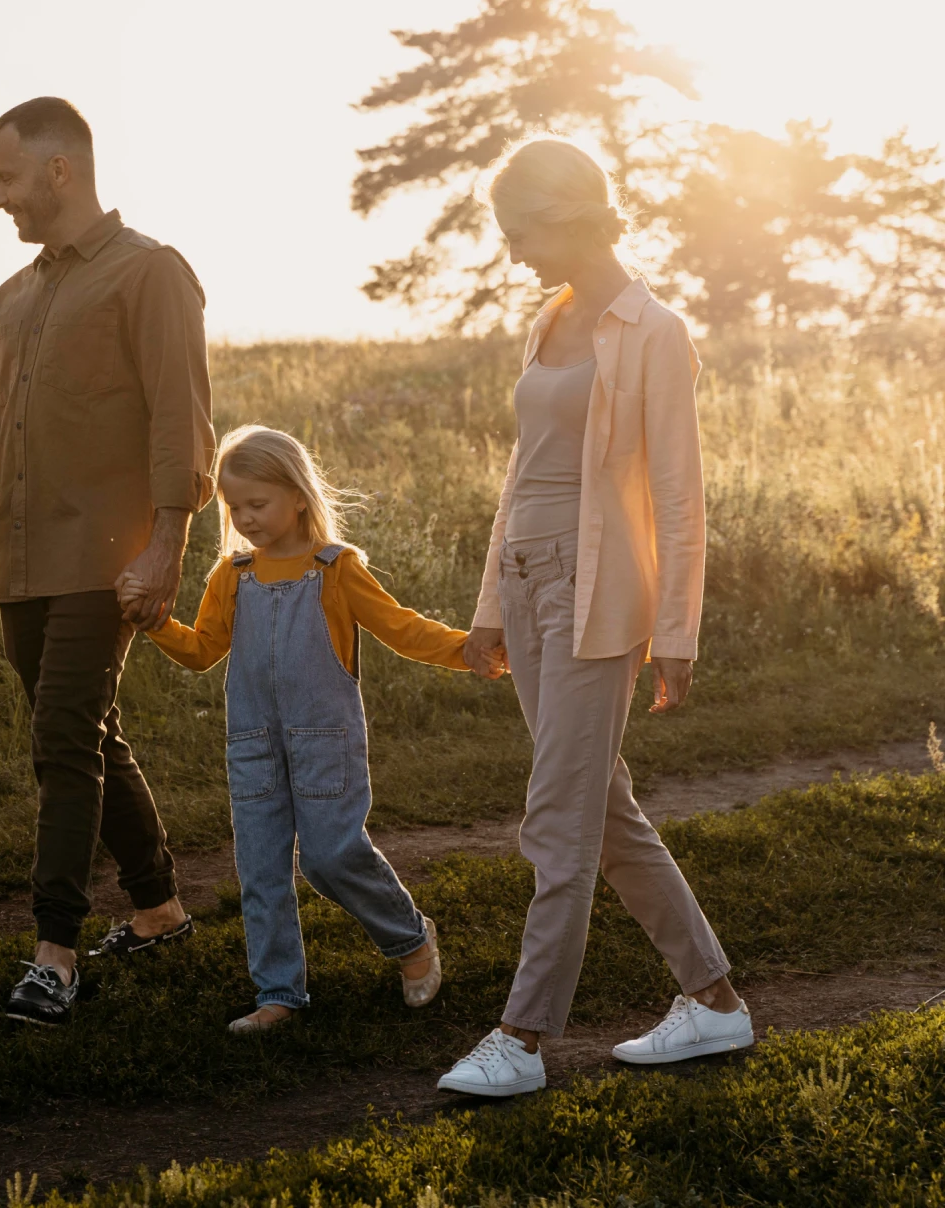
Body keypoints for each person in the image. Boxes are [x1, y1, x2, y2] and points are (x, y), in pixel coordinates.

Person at [436, 139, 752, 1097]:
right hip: (529, 583)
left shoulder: (654, 330)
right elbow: (521, 475)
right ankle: (715, 1003)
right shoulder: (546, 318)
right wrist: (492, 604)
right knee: (599, 810)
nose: (513, 249)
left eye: (519, 229)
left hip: (594, 591)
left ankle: (523, 1038)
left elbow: (678, 494)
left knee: (558, 818)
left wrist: (679, 632)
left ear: (566, 215)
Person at [0, 97, 215, 1027]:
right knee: (87, 732)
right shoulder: (17, 295)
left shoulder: (150, 273)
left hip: (107, 559)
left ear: (60, 171)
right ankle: (158, 908)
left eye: (6, 177)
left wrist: (169, 546)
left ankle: (55, 953)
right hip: (22, 562)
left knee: (62, 742)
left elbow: (179, 416)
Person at [124, 425, 492, 1034]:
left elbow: (401, 628)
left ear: (297, 495)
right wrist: (157, 622)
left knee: (329, 857)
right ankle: (278, 995)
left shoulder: (336, 570)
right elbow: (201, 651)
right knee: (261, 869)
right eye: (234, 508)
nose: (245, 518)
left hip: (326, 741)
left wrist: (466, 649)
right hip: (253, 746)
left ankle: (410, 938)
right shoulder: (232, 575)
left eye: (257, 505)